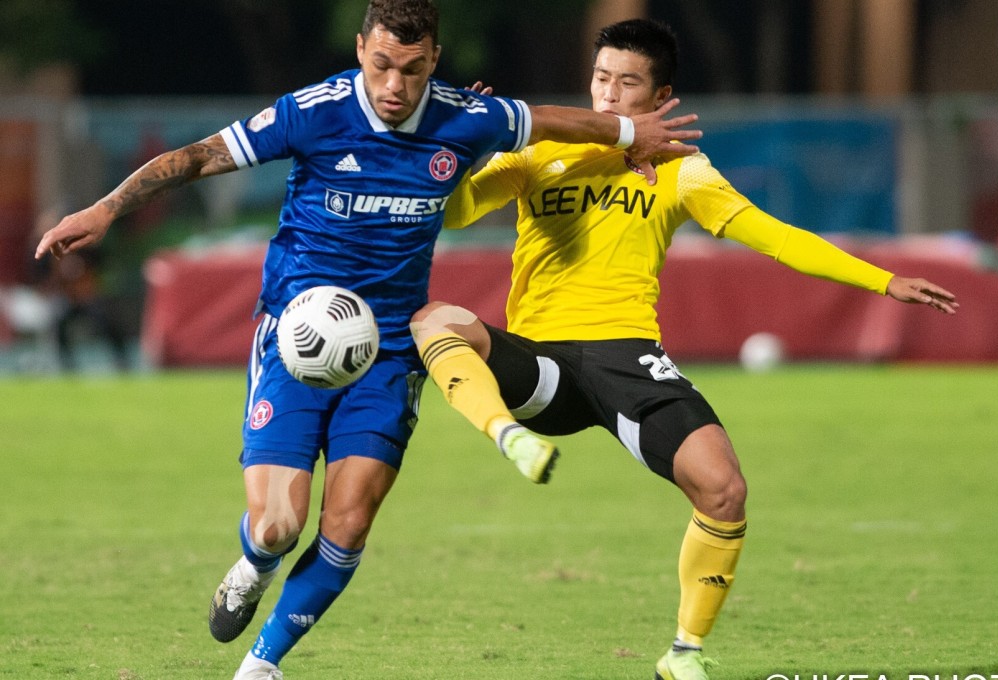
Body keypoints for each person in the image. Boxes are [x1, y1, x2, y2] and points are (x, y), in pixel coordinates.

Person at [34, 3, 703, 678]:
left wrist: (627, 133)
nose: (394, 85)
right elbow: (198, 155)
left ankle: (261, 666)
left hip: (388, 353)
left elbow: (553, 118)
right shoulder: (313, 112)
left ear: (434, 62)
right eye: (382, 64)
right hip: (299, 340)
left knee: (348, 525)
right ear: (360, 50)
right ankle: (255, 563)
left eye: (413, 70)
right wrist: (106, 207)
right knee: (278, 527)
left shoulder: (465, 118)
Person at [409, 18, 959, 680]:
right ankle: (506, 436)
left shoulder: (682, 171)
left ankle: (684, 654)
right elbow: (452, 211)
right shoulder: (539, 149)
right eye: (601, 78)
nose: (608, 95)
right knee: (438, 317)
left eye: (627, 82)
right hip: (542, 361)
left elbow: (776, 236)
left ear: (660, 95)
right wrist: (455, 144)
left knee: (724, 489)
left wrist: (884, 280)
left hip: (627, 359)